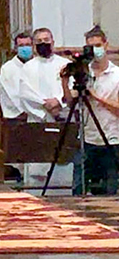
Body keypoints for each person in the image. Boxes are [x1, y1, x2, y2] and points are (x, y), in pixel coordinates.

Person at [62, 26, 119, 195]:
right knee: (78, 187)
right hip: (88, 138)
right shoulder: (85, 73)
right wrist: (64, 83)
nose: (95, 50)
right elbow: (70, 101)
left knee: (107, 190)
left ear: (106, 45)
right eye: (91, 47)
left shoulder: (117, 75)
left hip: (111, 138)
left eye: (98, 45)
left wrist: (95, 96)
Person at [18, 28, 69, 122]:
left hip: (63, 116)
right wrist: (44, 104)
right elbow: (25, 93)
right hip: (37, 118)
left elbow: (71, 88)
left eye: (46, 40)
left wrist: (58, 101)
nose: (43, 43)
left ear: (52, 42)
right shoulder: (27, 67)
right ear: (34, 45)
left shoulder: (65, 64)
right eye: (39, 41)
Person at [0, 32, 33, 119]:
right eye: (21, 45)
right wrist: (26, 112)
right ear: (16, 48)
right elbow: (11, 95)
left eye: (28, 45)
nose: (25, 48)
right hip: (16, 115)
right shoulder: (8, 69)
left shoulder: (37, 65)